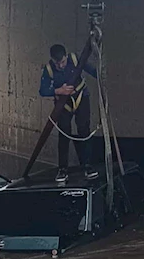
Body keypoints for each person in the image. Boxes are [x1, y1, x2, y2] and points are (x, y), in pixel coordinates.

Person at [39, 43, 99, 183]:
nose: (61, 65)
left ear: (66, 56)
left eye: (63, 62)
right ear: (53, 60)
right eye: (57, 63)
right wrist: (57, 91)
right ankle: (63, 169)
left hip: (81, 97)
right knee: (64, 134)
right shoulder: (49, 69)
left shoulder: (75, 59)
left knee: (84, 130)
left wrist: (102, 75)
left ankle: (87, 166)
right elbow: (42, 90)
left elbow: (92, 71)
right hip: (63, 104)